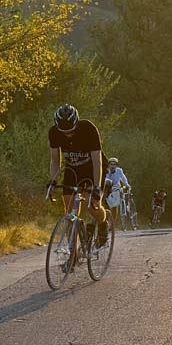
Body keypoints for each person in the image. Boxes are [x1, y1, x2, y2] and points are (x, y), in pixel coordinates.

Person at [48, 104, 108, 247]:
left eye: (71, 131)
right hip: (73, 169)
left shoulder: (88, 129)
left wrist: (97, 187)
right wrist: (53, 181)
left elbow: (97, 161)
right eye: (64, 132)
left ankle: (103, 223)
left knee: (92, 205)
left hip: (92, 167)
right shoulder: (54, 132)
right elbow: (55, 160)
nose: (68, 134)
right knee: (69, 213)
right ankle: (72, 256)